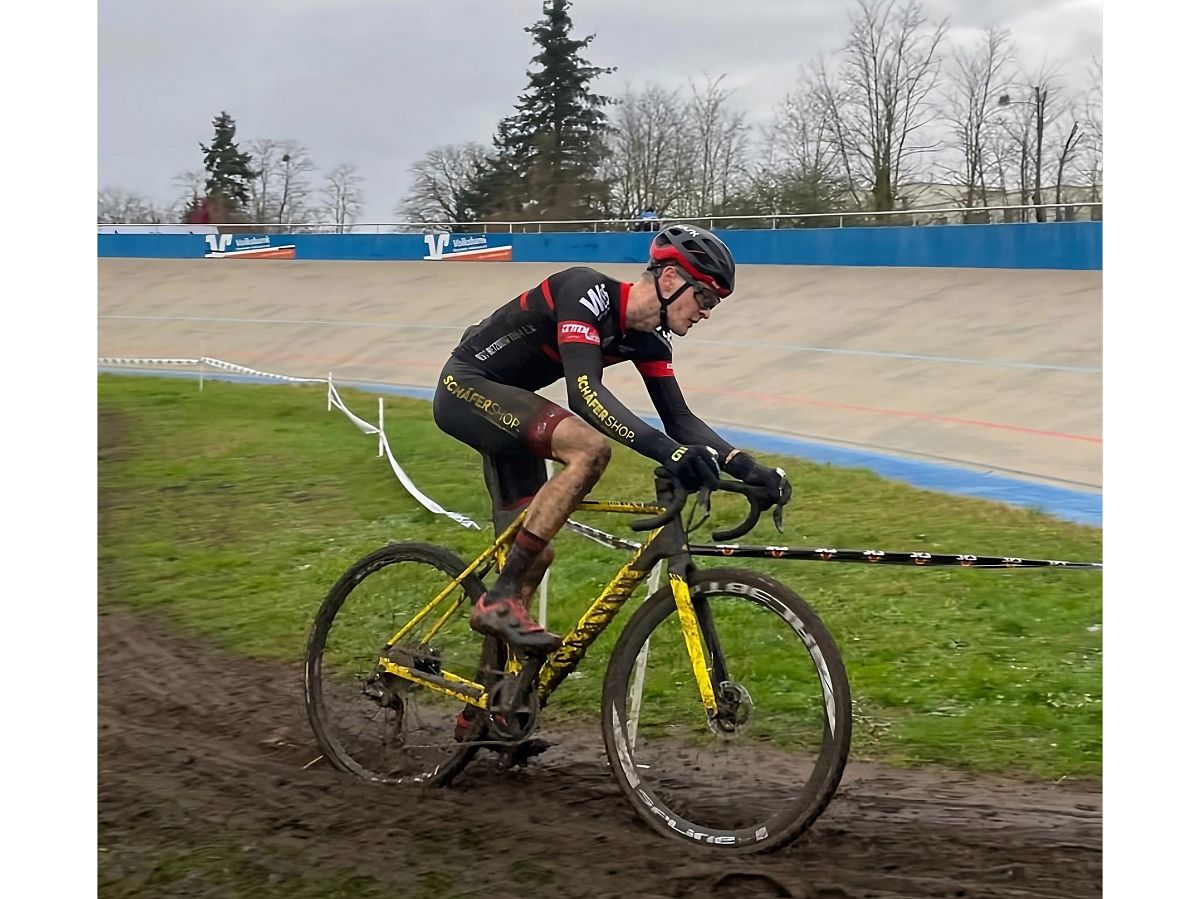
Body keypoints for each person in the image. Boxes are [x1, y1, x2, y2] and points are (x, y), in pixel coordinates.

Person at [432, 224, 791, 654]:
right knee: (589, 448)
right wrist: (670, 453)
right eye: (705, 298)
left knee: (534, 556)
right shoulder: (586, 292)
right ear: (671, 279)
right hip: (465, 387)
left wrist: (746, 466)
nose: (707, 311)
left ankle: (489, 708)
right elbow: (584, 393)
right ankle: (499, 596)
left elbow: (678, 418)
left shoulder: (651, 341)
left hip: (512, 410)